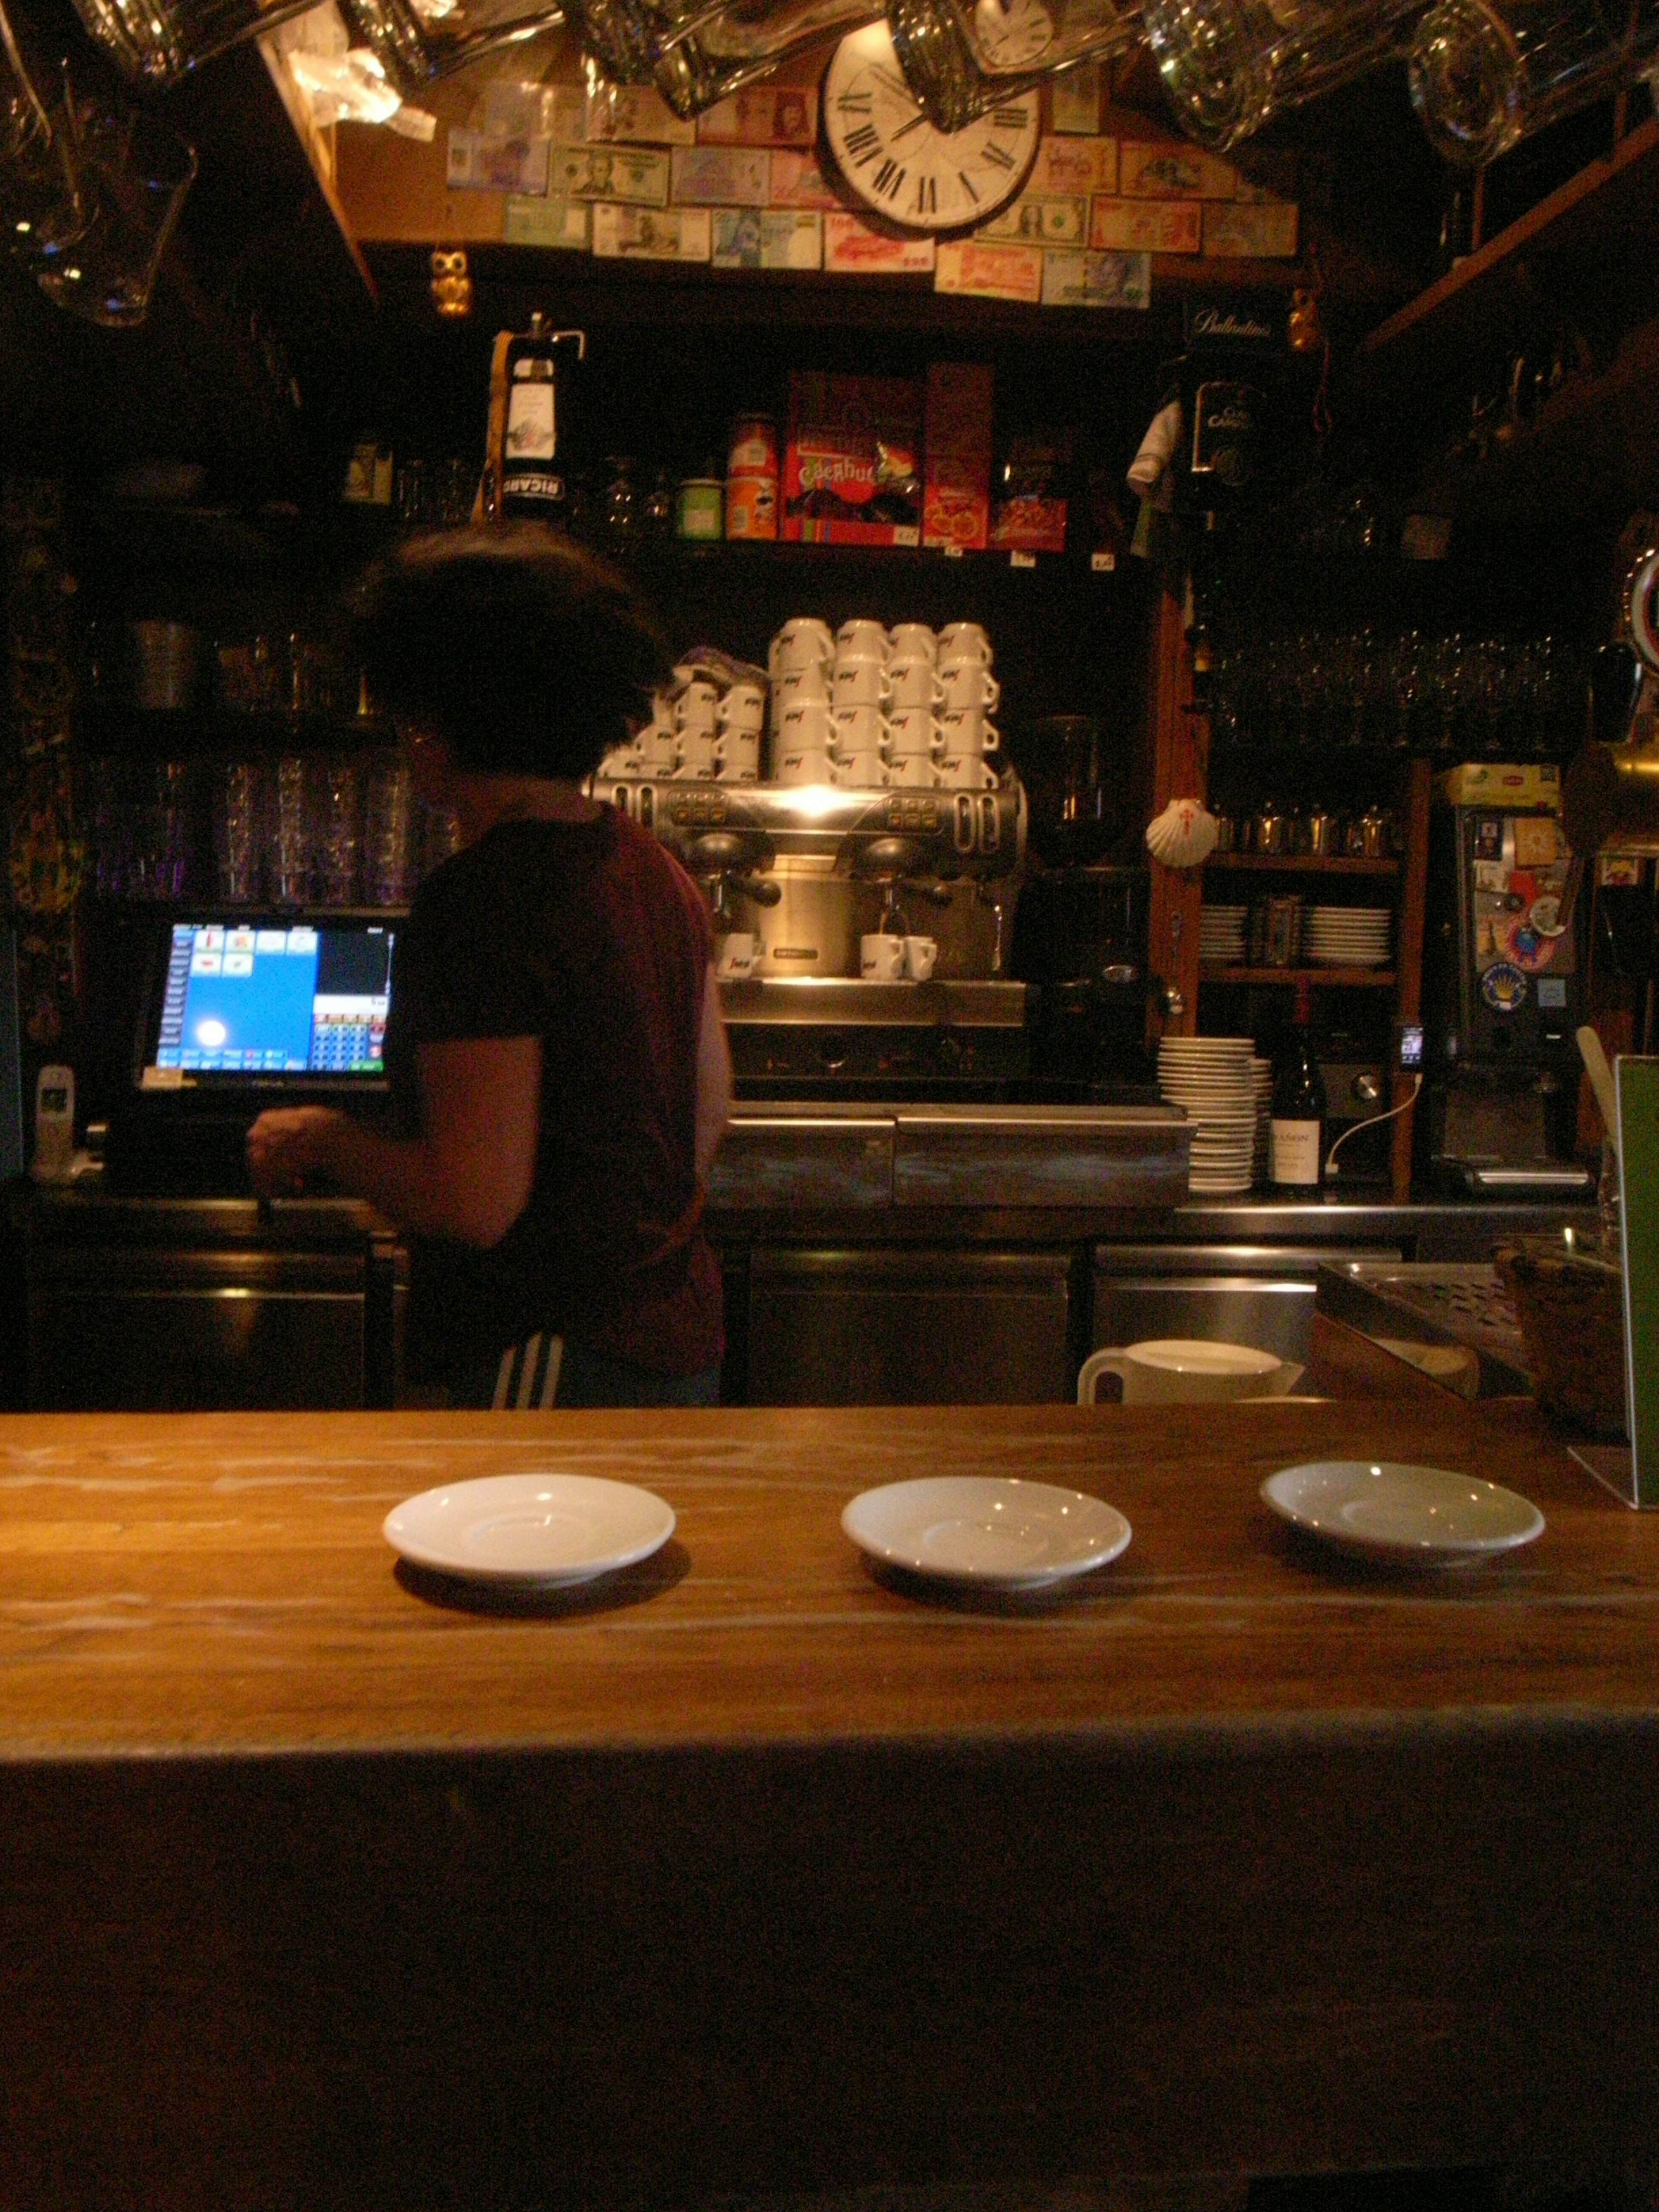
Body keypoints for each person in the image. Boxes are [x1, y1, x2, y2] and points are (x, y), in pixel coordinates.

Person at [246, 528, 731, 1408]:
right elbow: (707, 1116)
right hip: (673, 1341)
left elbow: (474, 1202)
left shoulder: (482, 903)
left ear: (440, 719)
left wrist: (321, 1140)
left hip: (541, 1351)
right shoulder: (654, 867)